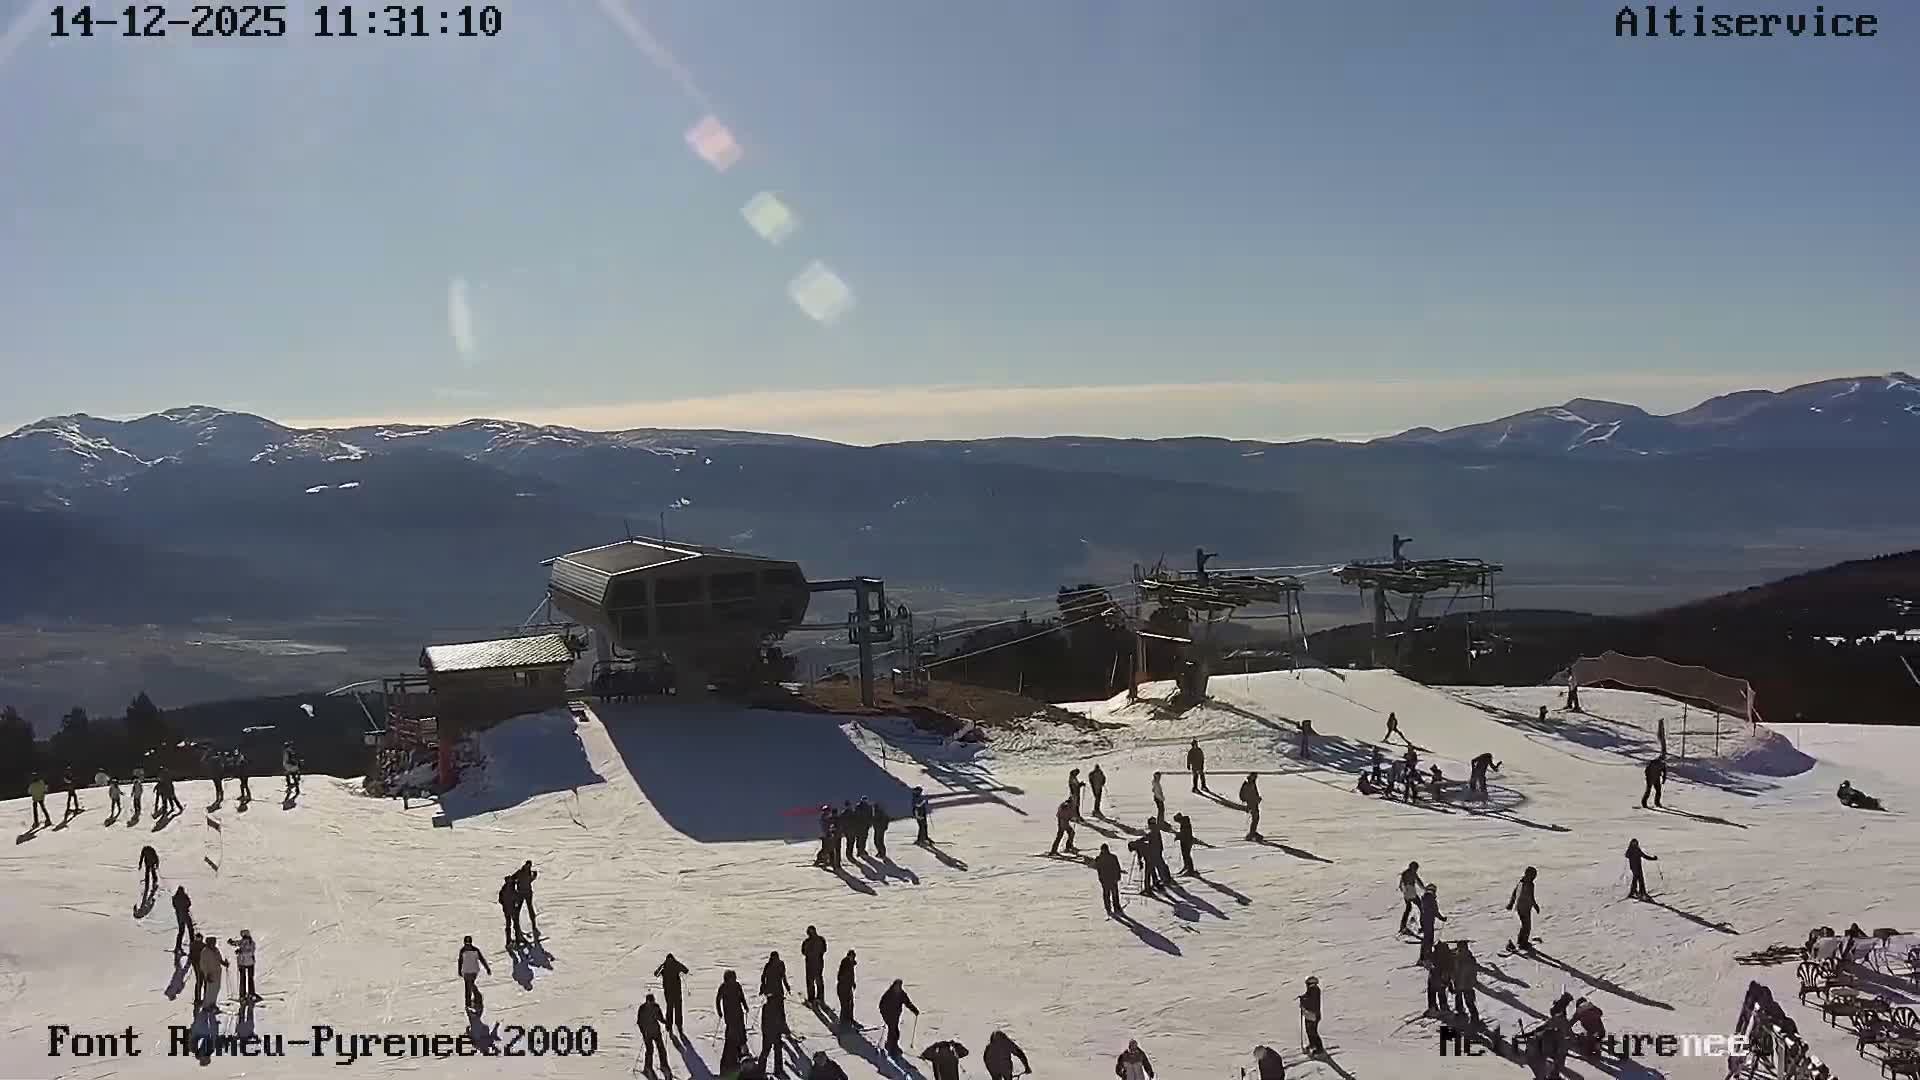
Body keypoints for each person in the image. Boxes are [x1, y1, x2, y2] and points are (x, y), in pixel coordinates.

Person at [717, 970, 749, 1073]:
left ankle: (742, 1050)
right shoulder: (723, 987)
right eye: (732, 978)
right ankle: (733, 1051)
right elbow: (718, 999)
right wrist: (719, 1011)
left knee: (741, 1030)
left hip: (738, 1013)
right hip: (730, 1015)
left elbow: (741, 996)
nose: (734, 980)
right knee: (731, 1032)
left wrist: (745, 1005)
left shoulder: (737, 985)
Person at [878, 979, 918, 1058]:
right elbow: (881, 1005)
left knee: (894, 1031)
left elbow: (908, 1003)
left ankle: (892, 1045)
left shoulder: (902, 994)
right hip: (888, 1016)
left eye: (899, 986)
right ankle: (891, 1047)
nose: (898, 988)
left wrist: (914, 1010)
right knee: (893, 1031)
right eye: (897, 986)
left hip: (896, 1016)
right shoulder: (888, 994)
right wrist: (885, 1015)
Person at [655, 953, 689, 1037]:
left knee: (669, 1009)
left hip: (668, 992)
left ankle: (669, 1026)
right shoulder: (675, 966)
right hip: (677, 992)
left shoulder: (664, 967)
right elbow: (686, 970)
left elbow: (656, 973)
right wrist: (677, 963)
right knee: (678, 1009)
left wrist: (662, 965)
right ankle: (679, 1026)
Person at [636, 992, 671, 1076]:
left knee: (661, 1048)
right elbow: (639, 1022)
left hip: (656, 1032)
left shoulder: (656, 1007)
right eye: (650, 1001)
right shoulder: (642, 1008)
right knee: (650, 1050)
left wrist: (666, 1023)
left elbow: (660, 1018)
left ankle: (664, 1065)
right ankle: (648, 1067)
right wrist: (643, 1032)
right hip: (647, 1033)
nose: (652, 1003)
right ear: (647, 1001)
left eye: (653, 1001)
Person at [1508, 867, 1540, 952]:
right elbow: (1515, 893)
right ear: (1527, 874)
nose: (1534, 877)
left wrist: (1535, 905)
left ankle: (1521, 941)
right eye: (1533, 875)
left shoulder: (1529, 884)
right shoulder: (1522, 883)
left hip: (1527, 907)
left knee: (1525, 925)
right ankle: (1523, 943)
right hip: (1521, 908)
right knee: (1527, 926)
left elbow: (1531, 897)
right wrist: (1511, 903)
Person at [760, 992, 791, 1078]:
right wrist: (785, 1031)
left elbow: (764, 1022)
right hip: (775, 1033)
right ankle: (778, 1070)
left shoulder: (765, 1007)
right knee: (777, 1052)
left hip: (767, 1034)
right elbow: (781, 1021)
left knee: (765, 1052)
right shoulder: (777, 1008)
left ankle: (760, 1069)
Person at [457, 936, 490, 1013]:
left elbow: (481, 959)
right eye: (466, 944)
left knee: (468, 986)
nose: (467, 945)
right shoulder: (465, 950)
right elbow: (460, 961)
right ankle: (476, 997)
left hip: (473, 971)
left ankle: (469, 1002)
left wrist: (487, 968)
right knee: (469, 984)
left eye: (468, 944)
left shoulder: (472, 950)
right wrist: (459, 970)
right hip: (467, 971)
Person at [196, 935, 229, 1014]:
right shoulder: (205, 952)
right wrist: (206, 974)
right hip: (210, 973)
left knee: (216, 989)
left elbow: (219, 958)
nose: (214, 943)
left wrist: (224, 963)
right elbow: (203, 965)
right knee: (210, 990)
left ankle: (213, 1004)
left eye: (214, 942)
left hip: (217, 972)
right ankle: (206, 1006)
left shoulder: (216, 950)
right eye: (212, 942)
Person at [1452, 941, 1481, 1025]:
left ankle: (1475, 1018)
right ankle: (1460, 1013)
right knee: (1458, 998)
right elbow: (1455, 969)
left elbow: (1472, 971)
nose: (1460, 950)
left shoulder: (1469, 959)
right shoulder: (1457, 957)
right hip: (1459, 983)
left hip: (1467, 984)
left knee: (1469, 1002)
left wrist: (1471, 981)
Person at [1418, 884, 1447, 967]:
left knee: (1425, 940)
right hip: (1429, 921)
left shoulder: (1424, 898)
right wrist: (1442, 918)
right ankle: (1427, 959)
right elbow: (1435, 911)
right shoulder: (1431, 899)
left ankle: (1422, 958)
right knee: (1429, 940)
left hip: (1424, 920)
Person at [510, 861, 539, 940]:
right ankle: (518, 926)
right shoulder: (521, 872)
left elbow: (513, 879)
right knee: (519, 910)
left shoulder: (527, 873)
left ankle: (533, 925)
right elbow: (512, 879)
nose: (528, 867)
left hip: (526, 893)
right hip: (522, 893)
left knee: (528, 909)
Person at [1094, 843, 1125, 916]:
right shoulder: (1111, 857)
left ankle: (1112, 907)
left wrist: (1118, 876)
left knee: (1110, 894)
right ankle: (1114, 907)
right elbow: (1117, 867)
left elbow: (1117, 867)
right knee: (1110, 893)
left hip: (1108, 878)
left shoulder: (1101, 858)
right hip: (1108, 878)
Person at [1298, 977, 1326, 1057]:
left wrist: (1303, 1000)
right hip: (1309, 1014)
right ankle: (1313, 1044)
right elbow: (1307, 996)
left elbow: (1311, 1001)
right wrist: (1303, 997)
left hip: (1313, 1015)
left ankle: (1319, 1048)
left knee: (1313, 1032)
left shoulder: (1314, 990)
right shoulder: (1312, 989)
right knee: (1309, 1031)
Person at [229, 930, 259, 1004]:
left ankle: (249, 994)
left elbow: (250, 952)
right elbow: (238, 943)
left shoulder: (251, 943)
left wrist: (240, 951)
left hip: (247, 963)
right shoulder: (245, 942)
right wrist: (232, 942)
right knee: (245, 979)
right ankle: (245, 994)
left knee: (248, 979)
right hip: (245, 963)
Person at [802, 927, 828, 1006]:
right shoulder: (821, 939)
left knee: (810, 981)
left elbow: (803, 952)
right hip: (819, 963)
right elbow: (824, 949)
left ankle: (811, 999)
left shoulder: (806, 942)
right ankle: (820, 998)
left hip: (810, 964)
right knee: (818, 980)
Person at [1426, 941, 1453, 1015]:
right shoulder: (1448, 955)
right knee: (1442, 993)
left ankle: (1433, 1008)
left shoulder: (1435, 955)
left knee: (1432, 993)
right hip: (1444, 978)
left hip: (1435, 978)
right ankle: (1444, 1007)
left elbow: (1429, 960)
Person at [499, 875, 526, 948]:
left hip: (506, 910)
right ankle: (517, 942)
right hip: (513, 910)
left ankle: (508, 941)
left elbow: (500, 900)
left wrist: (504, 905)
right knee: (516, 925)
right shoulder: (512, 890)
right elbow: (517, 898)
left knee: (508, 925)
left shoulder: (503, 890)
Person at [1397, 862, 1424, 935]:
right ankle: (1422, 926)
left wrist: (1404, 892)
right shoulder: (1410, 873)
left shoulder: (1406, 873)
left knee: (1408, 908)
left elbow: (1401, 885)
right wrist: (1424, 888)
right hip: (1411, 892)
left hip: (1407, 893)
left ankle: (1403, 926)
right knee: (1421, 907)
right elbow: (1418, 881)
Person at [836, 950, 857, 1028]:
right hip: (843, 986)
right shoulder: (845, 963)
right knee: (845, 1004)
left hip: (847, 986)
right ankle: (843, 1021)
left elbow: (851, 975)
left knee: (850, 1004)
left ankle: (849, 1019)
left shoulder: (850, 964)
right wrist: (847, 983)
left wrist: (852, 983)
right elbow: (842, 976)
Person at [816, 805, 840, 870]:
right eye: (828, 811)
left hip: (826, 836)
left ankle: (825, 861)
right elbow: (827, 826)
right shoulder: (824, 818)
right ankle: (823, 861)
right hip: (826, 836)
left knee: (827, 849)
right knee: (828, 849)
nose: (829, 813)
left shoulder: (825, 818)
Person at [1239, 773, 1262, 840]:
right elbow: (1244, 795)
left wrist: (1257, 798)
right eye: (1255, 777)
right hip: (1251, 803)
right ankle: (1251, 834)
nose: (1255, 778)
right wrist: (1251, 800)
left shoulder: (1252, 783)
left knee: (1256, 818)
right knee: (1255, 818)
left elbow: (1254, 793)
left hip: (1254, 803)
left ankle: (1253, 832)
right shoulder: (1247, 784)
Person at [172, 885, 195, 953]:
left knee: (181, 931)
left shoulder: (175, 897)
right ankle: (193, 944)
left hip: (179, 916)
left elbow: (174, 906)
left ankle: (178, 946)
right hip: (185, 915)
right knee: (191, 929)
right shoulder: (184, 896)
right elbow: (189, 904)